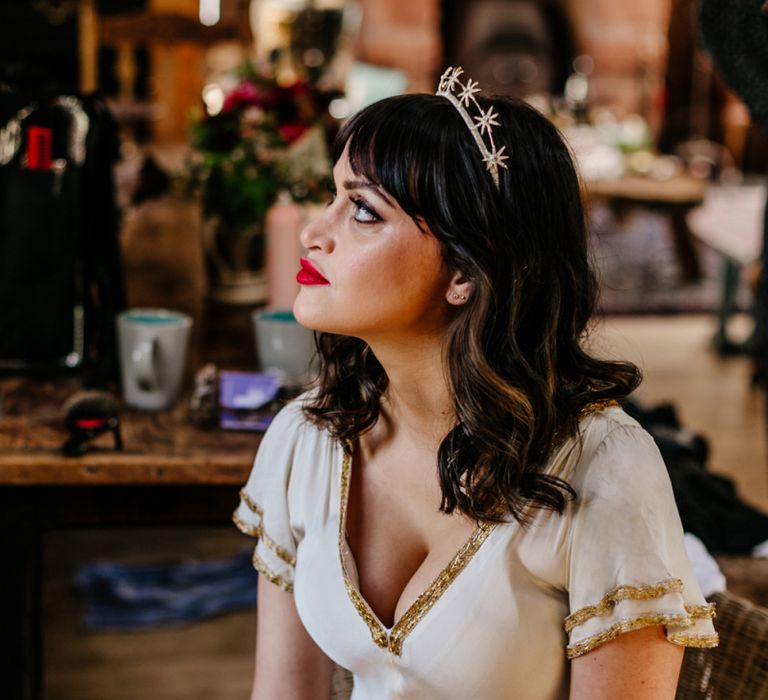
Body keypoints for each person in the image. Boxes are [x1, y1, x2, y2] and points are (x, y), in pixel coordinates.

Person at [233, 67, 718, 699]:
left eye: (361, 210)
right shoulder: (308, 438)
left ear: (464, 271)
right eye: (331, 196)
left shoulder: (601, 469)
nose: (313, 233)